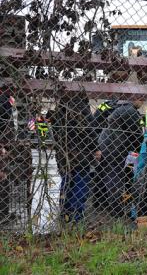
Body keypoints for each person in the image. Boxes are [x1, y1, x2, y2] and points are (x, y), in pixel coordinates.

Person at [51, 90, 98, 223]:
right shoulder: (82, 108)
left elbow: (55, 131)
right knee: (80, 184)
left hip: (64, 153)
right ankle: (77, 216)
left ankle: (65, 212)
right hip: (81, 154)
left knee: (67, 183)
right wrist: (95, 148)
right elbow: (90, 130)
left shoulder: (61, 109)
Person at [97, 99, 144, 217]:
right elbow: (137, 134)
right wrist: (139, 149)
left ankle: (102, 204)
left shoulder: (114, 105)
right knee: (115, 178)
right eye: (141, 99)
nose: (142, 102)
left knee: (108, 175)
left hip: (106, 144)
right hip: (116, 147)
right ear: (135, 98)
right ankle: (116, 210)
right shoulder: (129, 110)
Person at [0, 93, 15, 225]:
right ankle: (3, 215)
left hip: (5, 143)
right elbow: (5, 124)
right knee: (3, 177)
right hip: (3, 143)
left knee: (4, 178)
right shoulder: (4, 100)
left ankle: (4, 214)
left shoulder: (7, 100)